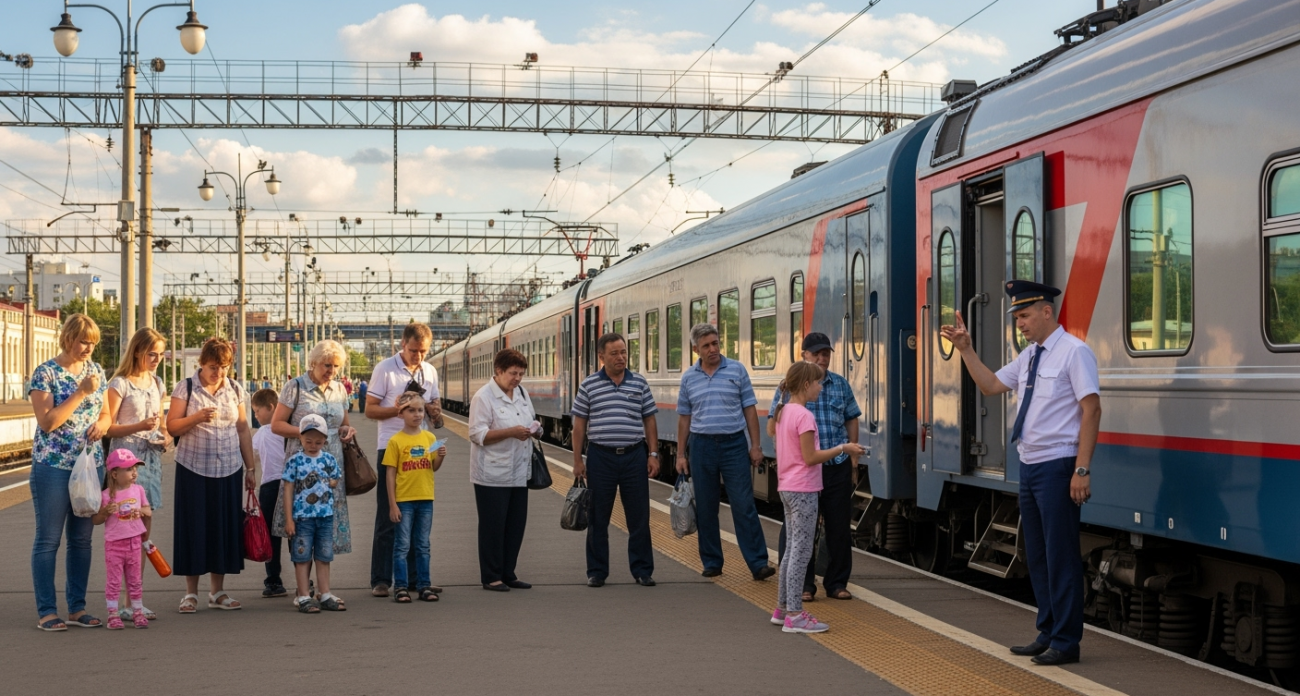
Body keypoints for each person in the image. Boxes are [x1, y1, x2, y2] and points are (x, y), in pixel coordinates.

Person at [940, 280, 1101, 666]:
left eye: (1025, 315)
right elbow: (991, 385)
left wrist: (1081, 468)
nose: (1020, 324)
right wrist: (966, 350)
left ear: (1047, 311)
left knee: (1060, 554)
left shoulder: (1075, 352)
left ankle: (1066, 641)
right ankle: (1048, 632)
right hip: (1030, 466)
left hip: (1058, 465)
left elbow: (1092, 409)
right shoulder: (1030, 356)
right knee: (1039, 554)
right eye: (1017, 318)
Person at [770, 362, 866, 634]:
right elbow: (811, 457)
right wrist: (843, 448)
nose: (820, 387)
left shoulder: (784, 412)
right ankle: (795, 615)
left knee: (791, 550)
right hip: (804, 489)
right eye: (816, 383)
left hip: (787, 487)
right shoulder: (804, 416)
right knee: (801, 553)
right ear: (805, 385)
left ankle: (781, 609)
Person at [29, 313, 109, 631]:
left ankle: (77, 608)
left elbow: (106, 413)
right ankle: (47, 611)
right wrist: (80, 393)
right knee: (48, 539)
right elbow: (47, 422)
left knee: (82, 539)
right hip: (53, 466)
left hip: (89, 465)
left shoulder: (97, 371)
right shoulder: (45, 373)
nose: (88, 348)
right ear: (68, 339)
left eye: (93, 343)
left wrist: (102, 426)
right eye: (83, 341)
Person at [675, 323, 773, 580]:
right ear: (696, 349)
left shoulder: (737, 370)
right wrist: (680, 454)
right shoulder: (689, 377)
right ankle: (712, 562)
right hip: (701, 446)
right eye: (706, 346)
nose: (713, 349)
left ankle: (758, 563)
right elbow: (684, 418)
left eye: (715, 343)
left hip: (734, 445)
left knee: (743, 504)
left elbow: (749, 410)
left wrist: (755, 446)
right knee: (706, 507)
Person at [167, 337, 255, 614]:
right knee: (193, 528)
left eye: (224, 367)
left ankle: (217, 591)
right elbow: (172, 427)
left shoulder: (235, 389)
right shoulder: (186, 387)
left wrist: (250, 468)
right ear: (202, 364)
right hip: (193, 467)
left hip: (229, 467)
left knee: (223, 528)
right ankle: (190, 593)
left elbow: (243, 429)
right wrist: (196, 418)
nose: (219, 372)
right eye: (214, 367)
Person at [571, 333, 659, 588]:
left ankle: (642, 570)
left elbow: (649, 419)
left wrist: (653, 454)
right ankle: (597, 572)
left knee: (639, 517)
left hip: (634, 456)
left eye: (623, 352)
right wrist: (577, 461)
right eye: (614, 353)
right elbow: (579, 425)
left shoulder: (639, 383)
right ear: (602, 356)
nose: (621, 357)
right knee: (598, 517)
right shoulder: (589, 385)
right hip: (601, 457)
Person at [365, 324, 442, 597]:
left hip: (420, 449)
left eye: (423, 351)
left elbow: (436, 406)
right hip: (392, 447)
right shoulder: (385, 369)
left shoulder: (429, 371)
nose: (418, 356)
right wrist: (397, 410)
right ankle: (381, 579)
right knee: (389, 515)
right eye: (413, 350)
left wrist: (434, 410)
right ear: (403, 344)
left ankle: (414, 579)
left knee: (416, 518)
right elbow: (370, 410)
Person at [271, 340, 358, 562]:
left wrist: (347, 431)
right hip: (303, 467)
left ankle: (322, 578)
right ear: (313, 363)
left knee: (325, 524)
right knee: (302, 522)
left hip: (330, 467)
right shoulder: (295, 387)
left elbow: (343, 423)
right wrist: (307, 434)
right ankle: (303, 578)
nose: (332, 371)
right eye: (327, 365)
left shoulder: (340, 389)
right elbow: (276, 425)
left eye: (336, 366)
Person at [105, 327, 170, 621]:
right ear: (137, 351)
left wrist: (165, 438)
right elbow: (108, 427)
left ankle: (135, 601)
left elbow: (163, 424)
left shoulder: (157, 383)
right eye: (152, 354)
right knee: (123, 535)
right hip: (124, 466)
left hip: (150, 462)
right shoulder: (119, 384)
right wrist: (139, 427)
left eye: (161, 354)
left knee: (142, 533)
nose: (157, 359)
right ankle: (120, 602)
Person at [467, 348, 537, 592]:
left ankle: (509, 572)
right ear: (498, 371)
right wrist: (511, 432)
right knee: (493, 527)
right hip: (492, 475)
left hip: (519, 471)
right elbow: (477, 435)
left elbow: (530, 418)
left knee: (515, 526)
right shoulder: (483, 397)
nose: (517, 378)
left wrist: (534, 429)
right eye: (513, 373)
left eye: (521, 374)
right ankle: (491, 576)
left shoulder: (522, 393)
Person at [383, 392, 446, 603]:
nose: (417, 414)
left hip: (426, 498)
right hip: (404, 500)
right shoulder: (395, 441)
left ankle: (424, 585)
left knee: (423, 545)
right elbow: (390, 473)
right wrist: (392, 504)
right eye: (411, 410)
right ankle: (401, 586)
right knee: (402, 545)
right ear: (401, 414)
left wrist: (441, 458)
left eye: (420, 410)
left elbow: (433, 467)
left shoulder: (430, 438)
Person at [282, 414, 345, 614]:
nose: (313, 445)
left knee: (324, 555)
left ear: (325, 440)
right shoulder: (295, 461)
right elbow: (288, 490)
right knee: (302, 556)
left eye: (318, 442)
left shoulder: (328, 459)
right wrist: (289, 519)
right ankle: (303, 596)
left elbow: (336, 477)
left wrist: (330, 483)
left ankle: (324, 593)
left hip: (325, 516)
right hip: (303, 518)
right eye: (308, 441)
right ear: (300, 437)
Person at [93, 449, 153, 630]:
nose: (134, 472)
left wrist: (140, 511)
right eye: (128, 469)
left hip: (134, 542)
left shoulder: (138, 490)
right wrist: (105, 512)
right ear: (114, 474)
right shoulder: (105, 495)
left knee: (135, 580)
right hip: (114, 544)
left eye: (135, 468)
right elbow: (96, 520)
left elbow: (148, 511)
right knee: (114, 581)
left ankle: (137, 612)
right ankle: (113, 614)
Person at [251, 388, 288, 598]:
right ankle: (305, 580)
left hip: (270, 486)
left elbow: (251, 456)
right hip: (292, 484)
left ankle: (273, 580)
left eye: (257, 411)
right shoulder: (289, 428)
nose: (256, 416)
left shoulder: (263, 432)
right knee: (296, 534)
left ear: (271, 407)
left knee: (271, 535)